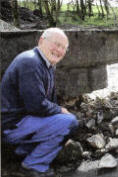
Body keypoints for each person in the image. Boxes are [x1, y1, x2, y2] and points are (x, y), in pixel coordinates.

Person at [1, 28, 78, 177]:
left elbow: (49, 101)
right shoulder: (31, 62)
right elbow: (36, 105)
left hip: (21, 122)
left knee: (65, 124)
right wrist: (60, 111)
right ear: (41, 41)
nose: (60, 50)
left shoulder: (45, 64)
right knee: (70, 122)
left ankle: (22, 152)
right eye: (56, 44)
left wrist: (63, 135)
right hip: (11, 126)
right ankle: (32, 165)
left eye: (64, 48)